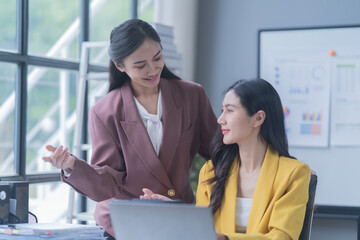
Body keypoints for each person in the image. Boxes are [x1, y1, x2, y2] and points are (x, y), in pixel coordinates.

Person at [42, 19, 218, 239]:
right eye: (140, 65)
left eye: (157, 58)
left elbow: (219, 152)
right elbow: (107, 183)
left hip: (177, 216)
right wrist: (72, 167)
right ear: (119, 65)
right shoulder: (105, 111)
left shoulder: (192, 95)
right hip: (124, 224)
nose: (153, 69)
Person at [142, 79, 311, 240]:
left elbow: (282, 237)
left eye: (229, 110)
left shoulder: (294, 173)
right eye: (222, 110)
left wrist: (225, 238)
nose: (220, 119)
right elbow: (202, 231)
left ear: (258, 118)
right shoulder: (211, 170)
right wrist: (174, 212)